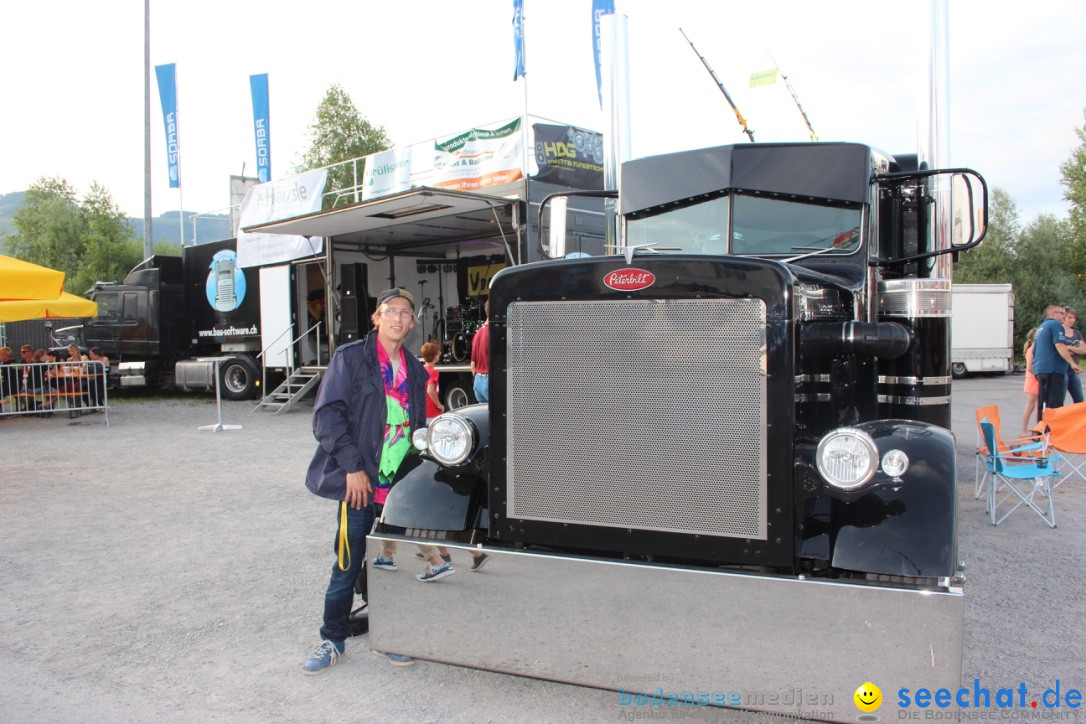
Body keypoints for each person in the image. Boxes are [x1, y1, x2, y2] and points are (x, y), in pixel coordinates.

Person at [302, 288, 428, 675]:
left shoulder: (415, 369)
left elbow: (416, 427)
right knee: (347, 562)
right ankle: (332, 638)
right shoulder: (351, 358)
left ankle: (388, 635)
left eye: (405, 313)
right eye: (390, 311)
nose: (398, 318)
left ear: (412, 322)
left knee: (389, 564)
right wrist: (353, 469)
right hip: (360, 484)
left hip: (398, 489)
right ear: (376, 317)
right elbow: (327, 417)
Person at [1033, 305, 1080, 421]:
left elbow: (1035, 350)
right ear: (1053, 314)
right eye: (1060, 313)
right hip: (1053, 369)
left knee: (1043, 403)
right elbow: (1059, 344)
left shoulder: (1041, 328)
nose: (1063, 316)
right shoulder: (1055, 325)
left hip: (1041, 370)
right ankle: (1052, 433)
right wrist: (1072, 363)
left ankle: (1041, 431)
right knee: (1054, 404)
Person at [1062, 307, 1086, 404]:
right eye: (1069, 317)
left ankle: (1079, 419)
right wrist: (1074, 348)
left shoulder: (1076, 333)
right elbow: (1060, 349)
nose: (1072, 320)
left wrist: (1070, 347)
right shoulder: (1060, 332)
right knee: (1060, 398)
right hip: (1062, 368)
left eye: (1074, 318)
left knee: (1079, 399)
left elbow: (1083, 349)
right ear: (1064, 318)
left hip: (1073, 370)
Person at [470, 297, 491, 403]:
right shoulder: (495, 333)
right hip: (489, 380)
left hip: (478, 381)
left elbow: (472, 366)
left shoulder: (477, 334)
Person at [1021, 328, 1039, 435]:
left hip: (1038, 379)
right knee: (1030, 406)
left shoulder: (1038, 349)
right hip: (1033, 379)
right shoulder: (1032, 349)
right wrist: (1038, 376)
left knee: (1039, 406)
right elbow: (1029, 368)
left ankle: (1038, 428)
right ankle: (1023, 430)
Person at [421, 340, 444, 423]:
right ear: (435, 356)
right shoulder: (433, 372)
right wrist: (439, 405)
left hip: (423, 410)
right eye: (438, 353)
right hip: (432, 411)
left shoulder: (421, 369)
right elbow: (430, 390)